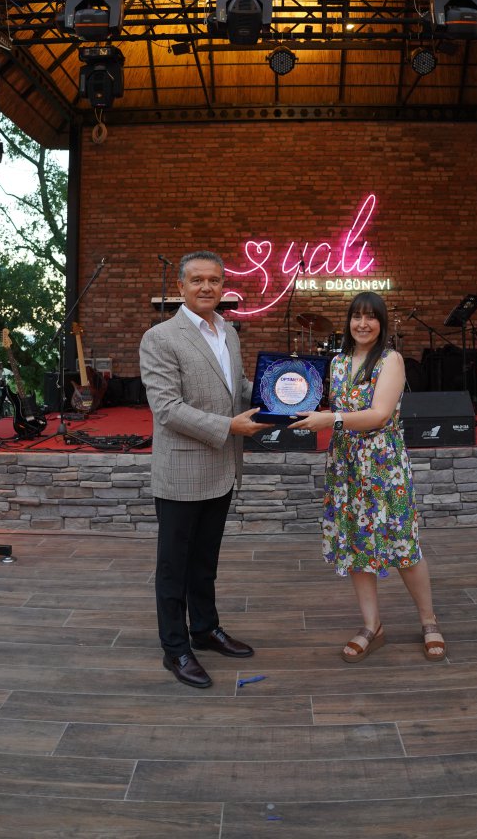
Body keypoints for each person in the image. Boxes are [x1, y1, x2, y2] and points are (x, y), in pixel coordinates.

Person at [290, 291, 446, 663]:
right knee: (357, 543)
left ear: (381, 322)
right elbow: (327, 406)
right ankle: (372, 626)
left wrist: (330, 419)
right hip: (346, 464)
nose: (363, 324)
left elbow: (379, 415)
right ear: (348, 322)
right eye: (356, 317)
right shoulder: (338, 362)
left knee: (403, 544)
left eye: (370, 317)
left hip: (383, 465)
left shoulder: (391, 360)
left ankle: (429, 621)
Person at [139, 250, 269, 688]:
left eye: (214, 280)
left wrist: (281, 395)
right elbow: (167, 408)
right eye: (197, 280)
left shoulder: (228, 331)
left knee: (205, 561)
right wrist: (229, 426)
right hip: (182, 471)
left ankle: (205, 628)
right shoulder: (160, 338)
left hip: (222, 466)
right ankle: (175, 648)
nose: (206, 287)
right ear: (181, 287)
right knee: (174, 566)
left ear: (223, 286)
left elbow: (237, 388)